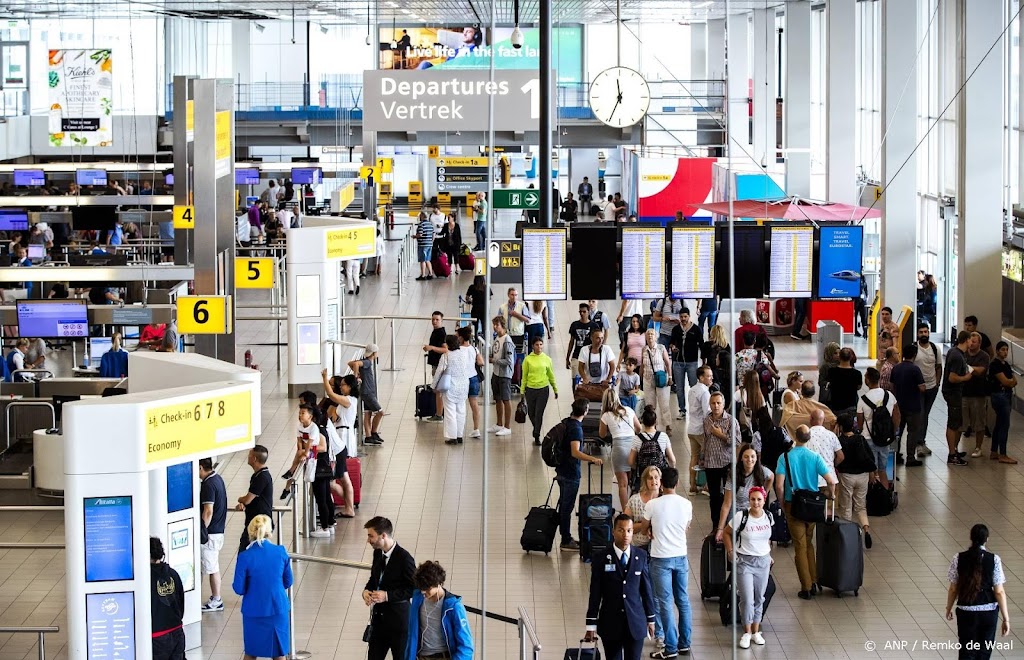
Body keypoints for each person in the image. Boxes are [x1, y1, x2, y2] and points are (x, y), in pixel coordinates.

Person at [774, 425, 837, 600]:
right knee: (808, 543)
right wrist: (830, 496)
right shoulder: (815, 457)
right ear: (809, 438)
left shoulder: (784, 457)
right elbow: (831, 481)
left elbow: (779, 485)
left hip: (793, 505)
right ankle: (815, 580)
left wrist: (781, 501)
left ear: (795, 436)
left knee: (800, 546)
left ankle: (806, 587)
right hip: (812, 506)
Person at [584, 514, 657, 660]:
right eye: (621, 530)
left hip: (635, 623)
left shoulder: (641, 556)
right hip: (611, 623)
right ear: (613, 531)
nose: (626, 535)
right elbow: (595, 593)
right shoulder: (601, 558)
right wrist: (591, 624)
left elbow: (646, 590)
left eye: (629, 531)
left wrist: (651, 619)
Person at [642, 467, 693, 659]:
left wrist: (652, 529)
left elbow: (645, 526)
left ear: (661, 483)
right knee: (683, 600)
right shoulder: (686, 504)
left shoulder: (653, 505)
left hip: (660, 558)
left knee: (664, 603)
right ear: (677, 483)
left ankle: (670, 648)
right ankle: (684, 643)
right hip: (681, 556)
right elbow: (686, 526)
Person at [945, 524, 1011, 659]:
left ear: (971, 538)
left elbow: (953, 588)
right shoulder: (994, 559)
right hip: (988, 611)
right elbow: (999, 592)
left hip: (966, 610)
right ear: (987, 539)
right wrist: (1006, 619)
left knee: (967, 650)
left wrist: (949, 607)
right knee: (984, 651)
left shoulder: (958, 558)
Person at [720, 486, 773, 649]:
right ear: (749, 500)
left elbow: (767, 539)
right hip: (744, 562)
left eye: (759, 499)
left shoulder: (769, 517)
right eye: (753, 499)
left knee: (759, 598)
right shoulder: (741, 517)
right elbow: (727, 533)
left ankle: (756, 631)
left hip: (763, 562)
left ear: (764, 500)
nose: (756, 502)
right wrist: (730, 550)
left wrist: (769, 555)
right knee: (747, 599)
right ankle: (747, 631)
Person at [233, 515, 293, 660]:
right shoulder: (280, 551)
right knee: (279, 653)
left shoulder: (245, 556)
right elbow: (288, 581)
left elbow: (238, 588)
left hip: (253, 611)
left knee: (251, 652)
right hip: (277, 608)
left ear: (250, 531)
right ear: (269, 531)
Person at [363, 516, 416, 660]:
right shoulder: (377, 553)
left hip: (398, 622)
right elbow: (374, 579)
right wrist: (366, 591)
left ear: (383, 535)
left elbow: (414, 589)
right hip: (379, 621)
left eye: (371, 536)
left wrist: (387, 596)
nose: (368, 540)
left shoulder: (404, 559)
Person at [556, 398, 605, 552]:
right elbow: (575, 451)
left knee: (563, 505)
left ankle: (565, 536)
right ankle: (565, 539)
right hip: (571, 473)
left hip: (561, 470)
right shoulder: (576, 428)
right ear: (585, 411)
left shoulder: (566, 422)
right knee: (567, 507)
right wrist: (593, 458)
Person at [405, 561, 474, 660]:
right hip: (420, 657)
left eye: (427, 588)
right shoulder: (417, 598)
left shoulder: (454, 607)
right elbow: (411, 634)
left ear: (438, 584)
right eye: (421, 588)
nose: (423, 592)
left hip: (444, 657)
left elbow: (466, 646)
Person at [715, 443, 773, 543]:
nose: (749, 460)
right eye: (746, 457)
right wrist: (720, 529)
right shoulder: (733, 474)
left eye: (752, 456)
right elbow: (727, 503)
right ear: (741, 458)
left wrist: (764, 494)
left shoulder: (762, 471)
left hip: (753, 512)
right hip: (736, 513)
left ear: (756, 458)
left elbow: (771, 476)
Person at [834, 413, 877, 549]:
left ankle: (848, 537)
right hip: (863, 475)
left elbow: (836, 457)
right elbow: (869, 457)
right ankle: (866, 530)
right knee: (860, 506)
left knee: (846, 507)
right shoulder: (860, 439)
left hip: (847, 476)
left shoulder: (839, 441)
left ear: (840, 426)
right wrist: (871, 473)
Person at [320, 371, 359, 516]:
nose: (341, 387)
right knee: (342, 475)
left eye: (343, 385)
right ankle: (349, 506)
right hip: (340, 435)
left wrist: (324, 379)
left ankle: (349, 507)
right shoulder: (345, 401)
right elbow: (333, 416)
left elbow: (331, 395)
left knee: (343, 476)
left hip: (343, 437)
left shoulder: (349, 400)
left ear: (350, 387)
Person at [600, 388, 642, 511]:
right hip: (633, 447)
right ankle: (636, 510)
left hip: (619, 448)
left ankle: (626, 513)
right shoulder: (629, 410)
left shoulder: (606, 415)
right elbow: (639, 429)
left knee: (622, 485)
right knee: (633, 482)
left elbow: (602, 434)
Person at [702, 391, 739, 529]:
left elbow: (736, 441)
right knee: (714, 497)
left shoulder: (730, 421)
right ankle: (715, 525)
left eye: (719, 403)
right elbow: (705, 439)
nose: (716, 406)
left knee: (728, 496)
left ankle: (728, 524)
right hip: (711, 463)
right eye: (713, 403)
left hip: (726, 463)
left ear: (723, 404)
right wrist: (702, 456)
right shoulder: (706, 420)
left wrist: (721, 435)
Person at [434, 334, 475, 445]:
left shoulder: (446, 356)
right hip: (463, 386)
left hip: (450, 387)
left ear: (448, 344)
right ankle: (459, 435)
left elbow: (439, 372)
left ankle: (452, 437)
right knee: (461, 411)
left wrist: (434, 386)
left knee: (450, 412)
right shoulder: (464, 354)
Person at [199, 458, 228, 613]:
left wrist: (202, 530)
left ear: (201, 467)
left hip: (210, 534)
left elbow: (208, 510)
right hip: (218, 531)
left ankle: (216, 599)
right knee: (210, 566)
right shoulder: (217, 479)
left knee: (211, 567)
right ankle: (215, 598)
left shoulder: (208, 484)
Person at [890, 344, 926, 467]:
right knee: (912, 432)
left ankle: (896, 455)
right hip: (913, 406)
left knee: (898, 431)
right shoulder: (915, 369)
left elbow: (891, 386)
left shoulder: (896, 368)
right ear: (914, 355)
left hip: (899, 406)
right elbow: (922, 388)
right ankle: (910, 457)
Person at [150, 537, 186, 660]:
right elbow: (181, 603)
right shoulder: (173, 573)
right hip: (177, 631)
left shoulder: (145, 579)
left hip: (157, 636)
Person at [235, 445, 274, 553]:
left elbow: (247, 499)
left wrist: (240, 499)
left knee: (244, 552)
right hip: (255, 520)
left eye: (249, 455)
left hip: (258, 524)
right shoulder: (258, 475)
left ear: (254, 459)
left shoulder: (262, 477)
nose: (247, 457)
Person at [943, 331, 974, 466]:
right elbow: (952, 377)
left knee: (957, 422)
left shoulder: (954, 352)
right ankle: (952, 454)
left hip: (953, 392)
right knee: (953, 423)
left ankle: (954, 450)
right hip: (953, 392)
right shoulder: (957, 356)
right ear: (966, 340)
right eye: (971, 340)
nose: (972, 343)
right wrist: (965, 378)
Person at [521, 335, 558, 445]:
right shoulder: (527, 360)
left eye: (541, 344)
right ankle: (536, 428)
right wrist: (522, 391)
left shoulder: (547, 359)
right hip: (530, 389)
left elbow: (551, 375)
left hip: (543, 389)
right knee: (531, 413)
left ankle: (537, 434)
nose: (539, 347)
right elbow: (524, 376)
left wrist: (555, 389)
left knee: (539, 413)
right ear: (533, 346)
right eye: (537, 345)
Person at [913, 322, 942, 457]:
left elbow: (938, 367)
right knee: (920, 415)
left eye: (926, 332)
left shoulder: (935, 349)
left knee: (925, 415)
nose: (924, 334)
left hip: (931, 388)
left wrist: (937, 383)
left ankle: (921, 441)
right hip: (917, 389)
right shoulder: (913, 349)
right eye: (921, 332)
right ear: (917, 334)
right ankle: (918, 443)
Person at [669, 308, 702, 421]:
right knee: (679, 388)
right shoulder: (676, 329)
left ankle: (695, 410)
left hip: (691, 362)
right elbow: (671, 342)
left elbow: (701, 344)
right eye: (681, 317)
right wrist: (672, 347)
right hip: (678, 363)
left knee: (694, 387)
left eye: (685, 317)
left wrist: (704, 361)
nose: (683, 319)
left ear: (689, 316)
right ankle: (682, 410)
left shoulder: (696, 329)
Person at [349, 344, 385, 445]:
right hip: (368, 392)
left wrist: (357, 373)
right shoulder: (367, 362)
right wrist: (356, 376)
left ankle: (369, 436)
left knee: (368, 413)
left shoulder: (365, 362)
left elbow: (350, 363)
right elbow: (355, 364)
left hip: (367, 391)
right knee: (380, 412)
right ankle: (373, 432)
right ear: (374, 353)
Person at [988, 341, 1018, 464]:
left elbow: (1014, 381)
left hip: (1005, 395)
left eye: (1006, 350)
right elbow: (1007, 382)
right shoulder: (995, 365)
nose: (1005, 352)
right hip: (1000, 396)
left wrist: (1009, 382)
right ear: (997, 351)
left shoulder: (1006, 365)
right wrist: (1009, 382)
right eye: (1003, 350)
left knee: (999, 424)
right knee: (1004, 425)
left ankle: (994, 451)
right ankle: (1003, 454)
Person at [963, 332, 991, 458]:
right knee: (961, 422)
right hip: (963, 393)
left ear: (979, 343)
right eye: (970, 341)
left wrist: (967, 368)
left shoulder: (984, 356)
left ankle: (978, 447)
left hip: (978, 394)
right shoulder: (962, 354)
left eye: (974, 342)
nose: (971, 344)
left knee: (979, 422)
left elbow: (980, 371)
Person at [687, 366, 713, 494]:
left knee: (694, 457)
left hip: (691, 428)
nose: (711, 378)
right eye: (708, 376)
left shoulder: (692, 389)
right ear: (701, 377)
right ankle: (707, 486)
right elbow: (707, 413)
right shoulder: (705, 392)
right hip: (701, 430)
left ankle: (692, 486)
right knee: (709, 457)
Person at [641, 328, 673, 432]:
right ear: (646, 337)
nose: (650, 336)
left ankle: (668, 425)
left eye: (652, 334)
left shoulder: (661, 348)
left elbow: (668, 363)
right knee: (650, 404)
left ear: (656, 337)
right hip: (647, 379)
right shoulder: (644, 349)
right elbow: (642, 364)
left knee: (664, 403)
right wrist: (640, 379)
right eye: (648, 334)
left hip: (661, 379)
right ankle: (652, 424)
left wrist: (670, 377)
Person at [624, 465, 662, 553]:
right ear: (645, 481)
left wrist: (642, 524)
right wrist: (646, 524)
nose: (654, 481)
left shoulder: (665, 500)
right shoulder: (634, 500)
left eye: (656, 477)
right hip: (638, 546)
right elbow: (625, 526)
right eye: (650, 478)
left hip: (660, 546)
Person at [489, 316, 516, 436]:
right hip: (496, 373)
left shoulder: (507, 341)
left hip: (504, 375)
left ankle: (507, 426)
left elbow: (509, 361)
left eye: (497, 325)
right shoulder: (497, 338)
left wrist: (495, 361)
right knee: (498, 398)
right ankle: (499, 423)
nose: (495, 327)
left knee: (506, 399)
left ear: (502, 325)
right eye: (494, 325)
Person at [423, 311, 448, 422]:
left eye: (437, 319)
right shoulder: (436, 332)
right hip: (436, 365)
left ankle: (439, 414)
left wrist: (432, 348)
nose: (434, 321)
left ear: (441, 320)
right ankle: (439, 413)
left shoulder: (441, 334)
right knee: (438, 390)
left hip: (439, 366)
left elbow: (445, 349)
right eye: (433, 319)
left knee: (439, 391)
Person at [825, 347, 862, 417]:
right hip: (851, 404)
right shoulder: (857, 373)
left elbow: (829, 383)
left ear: (839, 357)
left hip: (836, 404)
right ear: (851, 357)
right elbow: (858, 387)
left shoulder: (832, 371)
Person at [567, 303, 599, 377]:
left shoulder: (594, 326)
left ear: (588, 312)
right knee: (575, 379)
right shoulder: (574, 325)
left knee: (588, 379)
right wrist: (567, 357)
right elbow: (571, 342)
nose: (582, 313)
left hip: (589, 356)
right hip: (576, 355)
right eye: (580, 311)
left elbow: (598, 342)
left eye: (584, 311)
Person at [414, 211, 435, 280]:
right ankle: (430, 274)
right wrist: (431, 241)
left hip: (423, 244)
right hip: (429, 244)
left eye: (420, 216)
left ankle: (423, 275)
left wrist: (415, 236)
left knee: (422, 260)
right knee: (428, 259)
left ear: (422, 216)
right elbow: (433, 234)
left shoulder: (421, 224)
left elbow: (420, 234)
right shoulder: (430, 224)